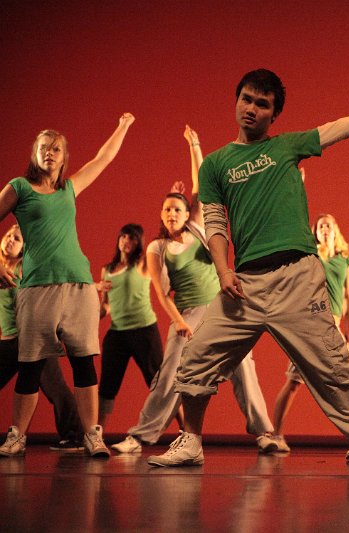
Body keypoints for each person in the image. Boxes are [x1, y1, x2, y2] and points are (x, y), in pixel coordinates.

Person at [147, 69, 349, 469]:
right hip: (245, 284)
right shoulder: (215, 165)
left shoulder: (286, 146)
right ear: (237, 102)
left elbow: (337, 129)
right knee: (196, 354)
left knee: (331, 364)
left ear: (274, 114)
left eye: (262, 104)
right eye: (247, 99)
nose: (252, 108)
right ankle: (192, 441)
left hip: (297, 277)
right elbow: (215, 223)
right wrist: (223, 271)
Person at [112, 126, 274, 455]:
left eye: (178, 209)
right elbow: (161, 293)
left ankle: (265, 433)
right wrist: (178, 321)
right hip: (187, 315)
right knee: (170, 376)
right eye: (167, 210)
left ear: (188, 214)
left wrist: (195, 145)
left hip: (223, 308)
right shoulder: (157, 247)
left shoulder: (198, 230)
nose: (172, 213)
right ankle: (140, 436)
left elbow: (200, 186)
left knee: (244, 368)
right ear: (161, 216)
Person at [0, 113, 135, 457]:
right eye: (44, 147)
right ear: (35, 154)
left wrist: (122, 126)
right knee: (30, 365)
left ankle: (92, 435)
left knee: (84, 362)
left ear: (63, 158)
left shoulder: (69, 189)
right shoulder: (19, 187)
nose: (49, 152)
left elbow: (103, 158)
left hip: (79, 286)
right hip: (36, 288)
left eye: (56, 148)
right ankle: (17, 436)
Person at [271, 213, 349, 453]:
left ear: (336, 230)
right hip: (311, 322)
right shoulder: (311, 255)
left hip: (333, 325)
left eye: (329, 226)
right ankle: (276, 435)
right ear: (315, 232)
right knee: (294, 382)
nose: (325, 229)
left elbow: (348, 296)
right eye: (321, 226)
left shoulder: (346, 259)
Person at [0, 225, 84, 453]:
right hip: (9, 339)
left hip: (32, 337)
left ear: (23, 248)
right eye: (8, 235)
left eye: (17, 238)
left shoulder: (24, 268)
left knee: (56, 389)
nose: (10, 240)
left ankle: (75, 437)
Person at [96, 223, 163, 427]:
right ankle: (97, 434)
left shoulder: (142, 263)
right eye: (123, 236)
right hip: (117, 334)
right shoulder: (107, 270)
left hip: (144, 331)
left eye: (132, 238)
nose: (126, 241)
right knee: (107, 387)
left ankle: (185, 429)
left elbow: (160, 244)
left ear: (138, 243)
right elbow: (106, 305)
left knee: (159, 382)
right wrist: (91, 312)